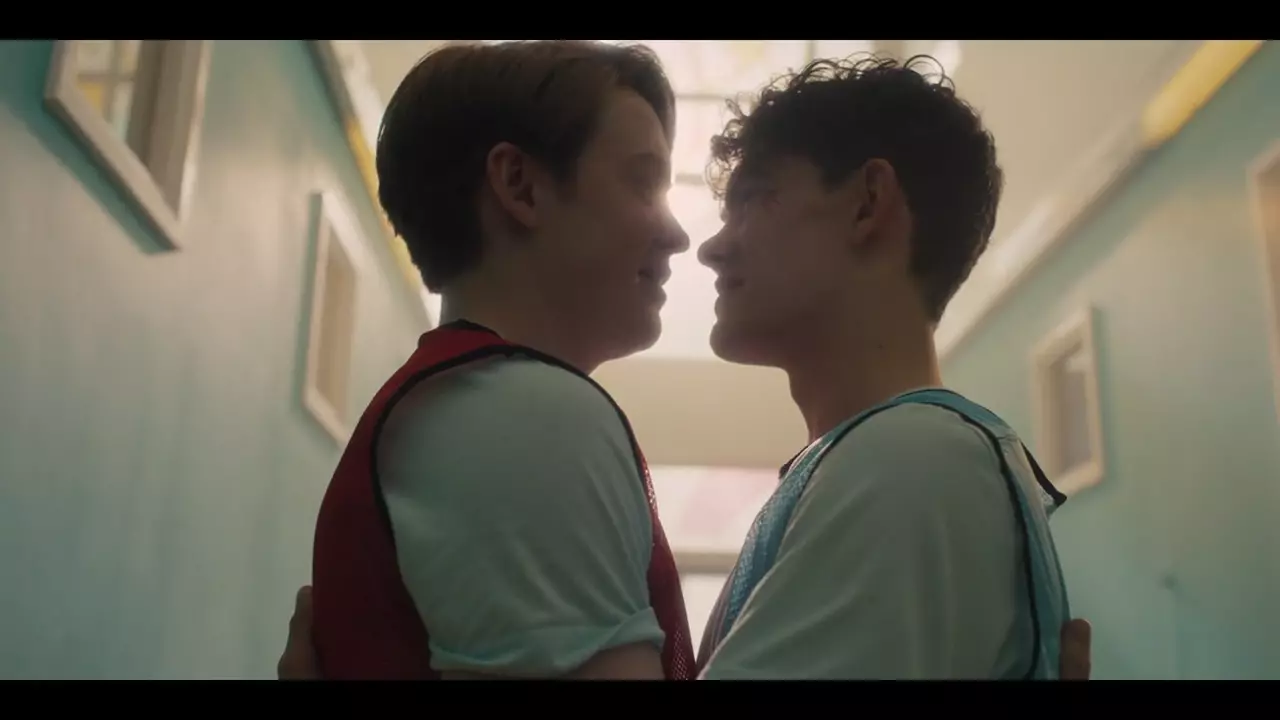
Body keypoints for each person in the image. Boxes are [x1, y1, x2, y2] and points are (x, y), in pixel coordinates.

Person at [297, 39, 1090, 680]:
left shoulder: (915, 462)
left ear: (867, 205)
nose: (699, 243)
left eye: (754, 198)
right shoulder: (517, 408)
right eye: (643, 181)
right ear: (519, 188)